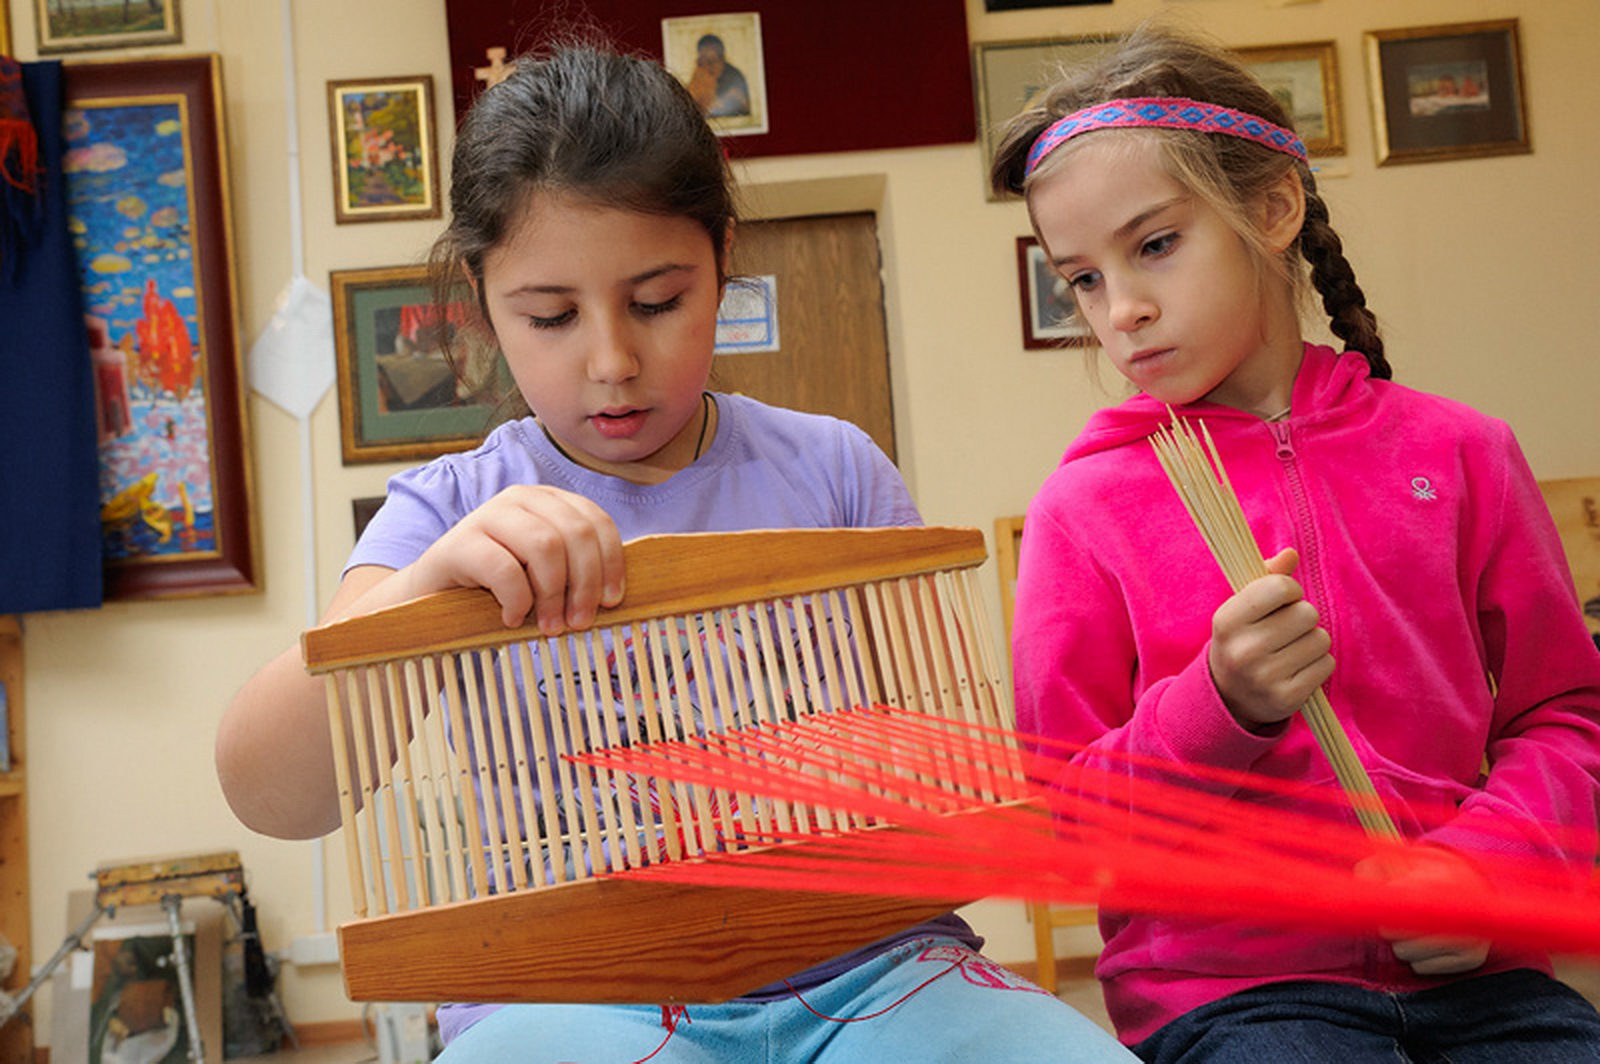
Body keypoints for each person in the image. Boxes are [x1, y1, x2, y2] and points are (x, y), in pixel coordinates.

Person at [216, 41, 1135, 1064]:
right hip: (566, 990)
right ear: (482, 298)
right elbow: (272, 794)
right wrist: (432, 586)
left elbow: (928, 780)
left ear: (721, 258)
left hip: (868, 962)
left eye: (658, 301)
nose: (612, 361)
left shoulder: (834, 468)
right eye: (551, 316)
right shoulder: (448, 508)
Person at [990, 24, 1600, 1064]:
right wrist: (1215, 706)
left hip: (1487, 969)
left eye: (1153, 244)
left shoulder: (1461, 453)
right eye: (1081, 279)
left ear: (1270, 208)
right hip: (1233, 993)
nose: (1121, 310)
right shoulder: (1083, 506)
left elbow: (1567, 715)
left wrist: (1482, 868)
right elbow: (1067, 819)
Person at [687, 33, 750, 117]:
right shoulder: (699, 74)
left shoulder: (735, 77)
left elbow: (744, 107)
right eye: (704, 59)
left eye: (713, 59)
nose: (709, 65)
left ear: (722, 58)